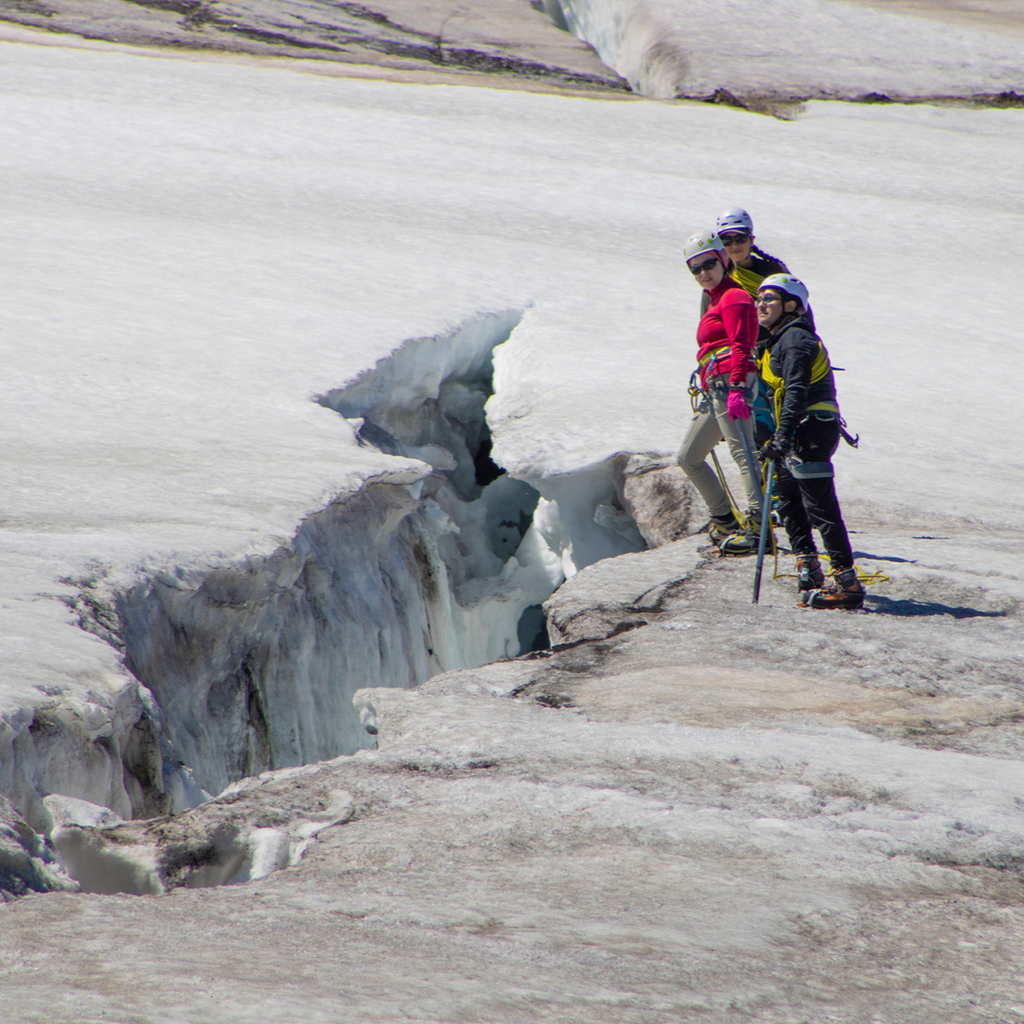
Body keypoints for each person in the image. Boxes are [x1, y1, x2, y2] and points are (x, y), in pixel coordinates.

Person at [754, 273, 863, 609]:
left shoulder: (795, 339)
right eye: (759, 298)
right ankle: (808, 564)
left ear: (791, 306)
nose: (761, 304)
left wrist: (783, 436)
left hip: (811, 429)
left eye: (769, 299)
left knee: (820, 505)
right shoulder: (779, 339)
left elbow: (797, 391)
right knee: (786, 495)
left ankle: (847, 583)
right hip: (803, 429)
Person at [676, 230, 762, 554]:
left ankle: (757, 528)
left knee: (743, 453)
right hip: (716, 384)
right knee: (689, 457)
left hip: (730, 380)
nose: (703, 273)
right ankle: (725, 520)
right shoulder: (715, 299)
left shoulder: (734, 297)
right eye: (695, 268)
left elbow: (741, 345)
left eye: (709, 264)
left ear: (724, 260)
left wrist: (738, 387)